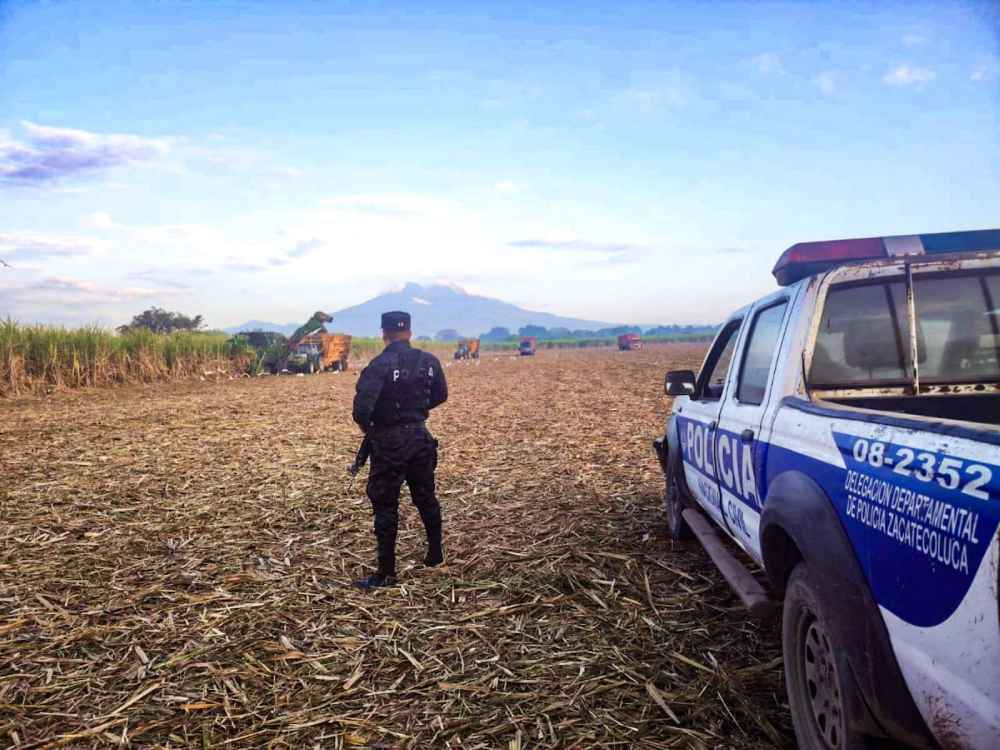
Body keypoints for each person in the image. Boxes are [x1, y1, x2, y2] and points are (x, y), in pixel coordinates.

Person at [351, 310, 448, 590]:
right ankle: (435, 554)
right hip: (420, 437)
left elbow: (361, 410)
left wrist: (373, 427)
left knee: (385, 505)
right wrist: (415, 412)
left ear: (384, 333)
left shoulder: (379, 364)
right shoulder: (429, 361)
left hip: (389, 443)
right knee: (426, 497)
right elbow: (441, 395)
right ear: (409, 332)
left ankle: (386, 573)